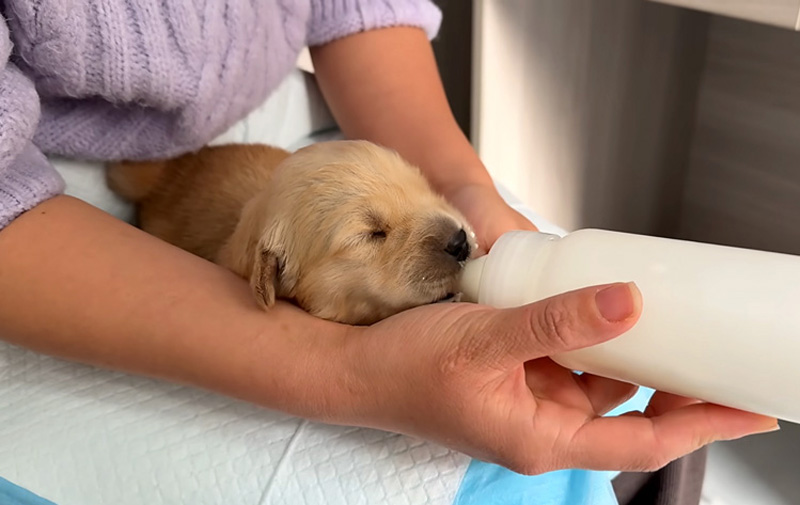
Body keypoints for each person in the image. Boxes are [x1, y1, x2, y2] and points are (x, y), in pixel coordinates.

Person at [0, 0, 776, 487]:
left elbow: (357, 9)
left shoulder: (414, 217)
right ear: (272, 275)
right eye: (372, 234)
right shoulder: (243, 252)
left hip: (263, 118)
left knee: (605, 348)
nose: (449, 239)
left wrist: (463, 188)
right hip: (52, 207)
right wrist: (340, 368)